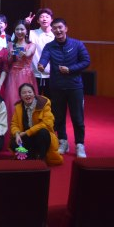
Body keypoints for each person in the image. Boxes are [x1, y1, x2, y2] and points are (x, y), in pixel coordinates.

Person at [38, 18, 90, 158]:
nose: (58, 30)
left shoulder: (77, 44)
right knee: (58, 117)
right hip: (57, 87)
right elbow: (44, 58)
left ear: (66, 28)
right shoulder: (49, 46)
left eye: (60, 27)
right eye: (55, 28)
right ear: (52, 30)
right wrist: (41, 65)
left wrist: (70, 69)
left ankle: (80, 144)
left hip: (75, 87)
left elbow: (86, 61)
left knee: (77, 118)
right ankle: (63, 141)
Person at [9, 83, 63, 165]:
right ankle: (29, 158)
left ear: (34, 93)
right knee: (13, 142)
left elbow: (47, 123)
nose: (27, 94)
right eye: (24, 93)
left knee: (43, 132)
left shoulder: (44, 103)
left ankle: (41, 158)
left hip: (40, 136)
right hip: (26, 136)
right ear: (20, 96)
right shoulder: (18, 107)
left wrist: (28, 132)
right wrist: (17, 134)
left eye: (29, 92)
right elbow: (14, 124)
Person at [4, 20, 37, 117]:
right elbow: (8, 62)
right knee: (13, 99)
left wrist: (24, 53)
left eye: (22, 29)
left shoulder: (31, 45)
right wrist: (10, 55)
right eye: (17, 29)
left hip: (26, 74)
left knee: (27, 99)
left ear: (26, 31)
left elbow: (29, 53)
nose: (19, 32)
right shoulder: (10, 44)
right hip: (13, 75)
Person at [26, 8, 55, 98]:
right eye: (42, 17)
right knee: (34, 100)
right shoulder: (32, 33)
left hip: (51, 75)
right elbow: (17, 38)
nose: (44, 19)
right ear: (38, 20)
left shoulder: (55, 35)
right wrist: (26, 25)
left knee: (51, 101)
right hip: (34, 74)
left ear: (51, 19)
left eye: (47, 17)